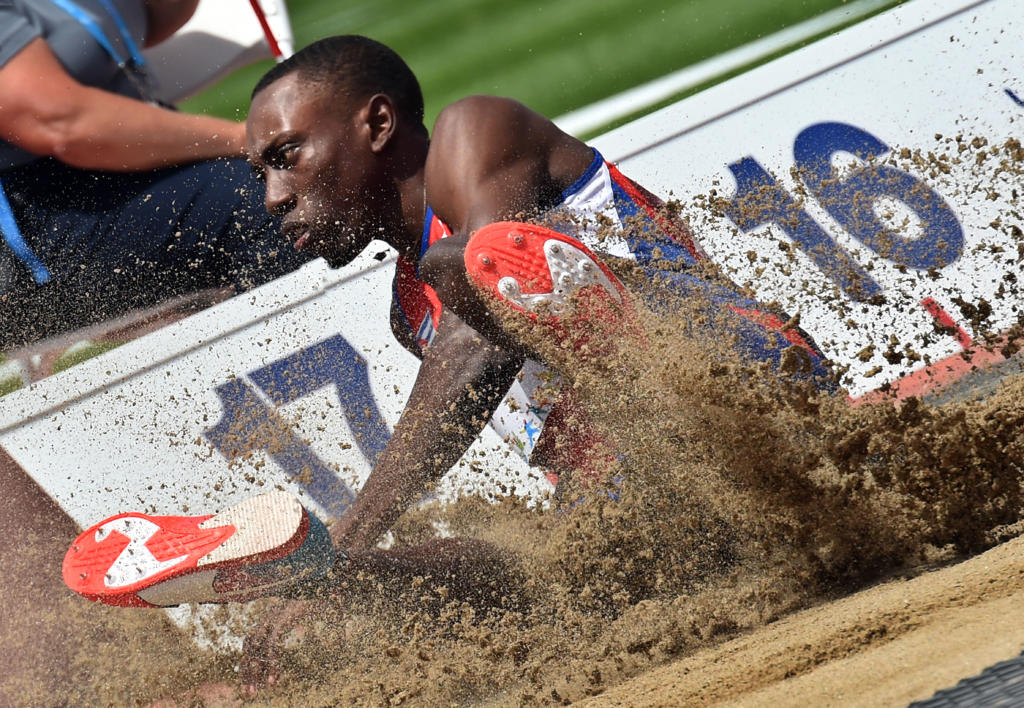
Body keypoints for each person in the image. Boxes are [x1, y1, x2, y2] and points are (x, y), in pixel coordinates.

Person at [66, 34, 834, 689]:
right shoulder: (409, 312)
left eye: (286, 156)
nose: (272, 196)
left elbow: (478, 342)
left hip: (757, 393)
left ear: (375, 122)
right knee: (537, 574)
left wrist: (356, 523)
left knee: (470, 264)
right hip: (667, 512)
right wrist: (337, 574)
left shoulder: (477, 132)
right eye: (263, 171)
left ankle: (618, 339)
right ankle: (311, 566)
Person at [0, 0, 312, 351]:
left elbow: (162, 15)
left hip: (98, 178)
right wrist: (245, 139)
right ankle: (296, 377)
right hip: (26, 230)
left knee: (312, 181)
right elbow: (59, 124)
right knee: (275, 205)